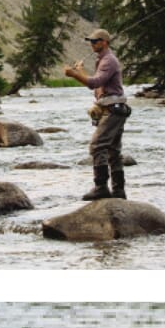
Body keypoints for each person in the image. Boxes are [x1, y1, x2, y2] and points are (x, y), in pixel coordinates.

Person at [63, 28, 131, 200]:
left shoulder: (108, 60)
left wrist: (73, 74)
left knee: (97, 146)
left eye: (95, 41)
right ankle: (118, 191)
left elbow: (94, 83)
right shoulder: (104, 60)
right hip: (116, 109)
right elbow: (96, 83)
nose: (92, 44)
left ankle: (101, 187)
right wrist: (81, 71)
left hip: (113, 110)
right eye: (91, 41)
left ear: (105, 42)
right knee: (113, 151)